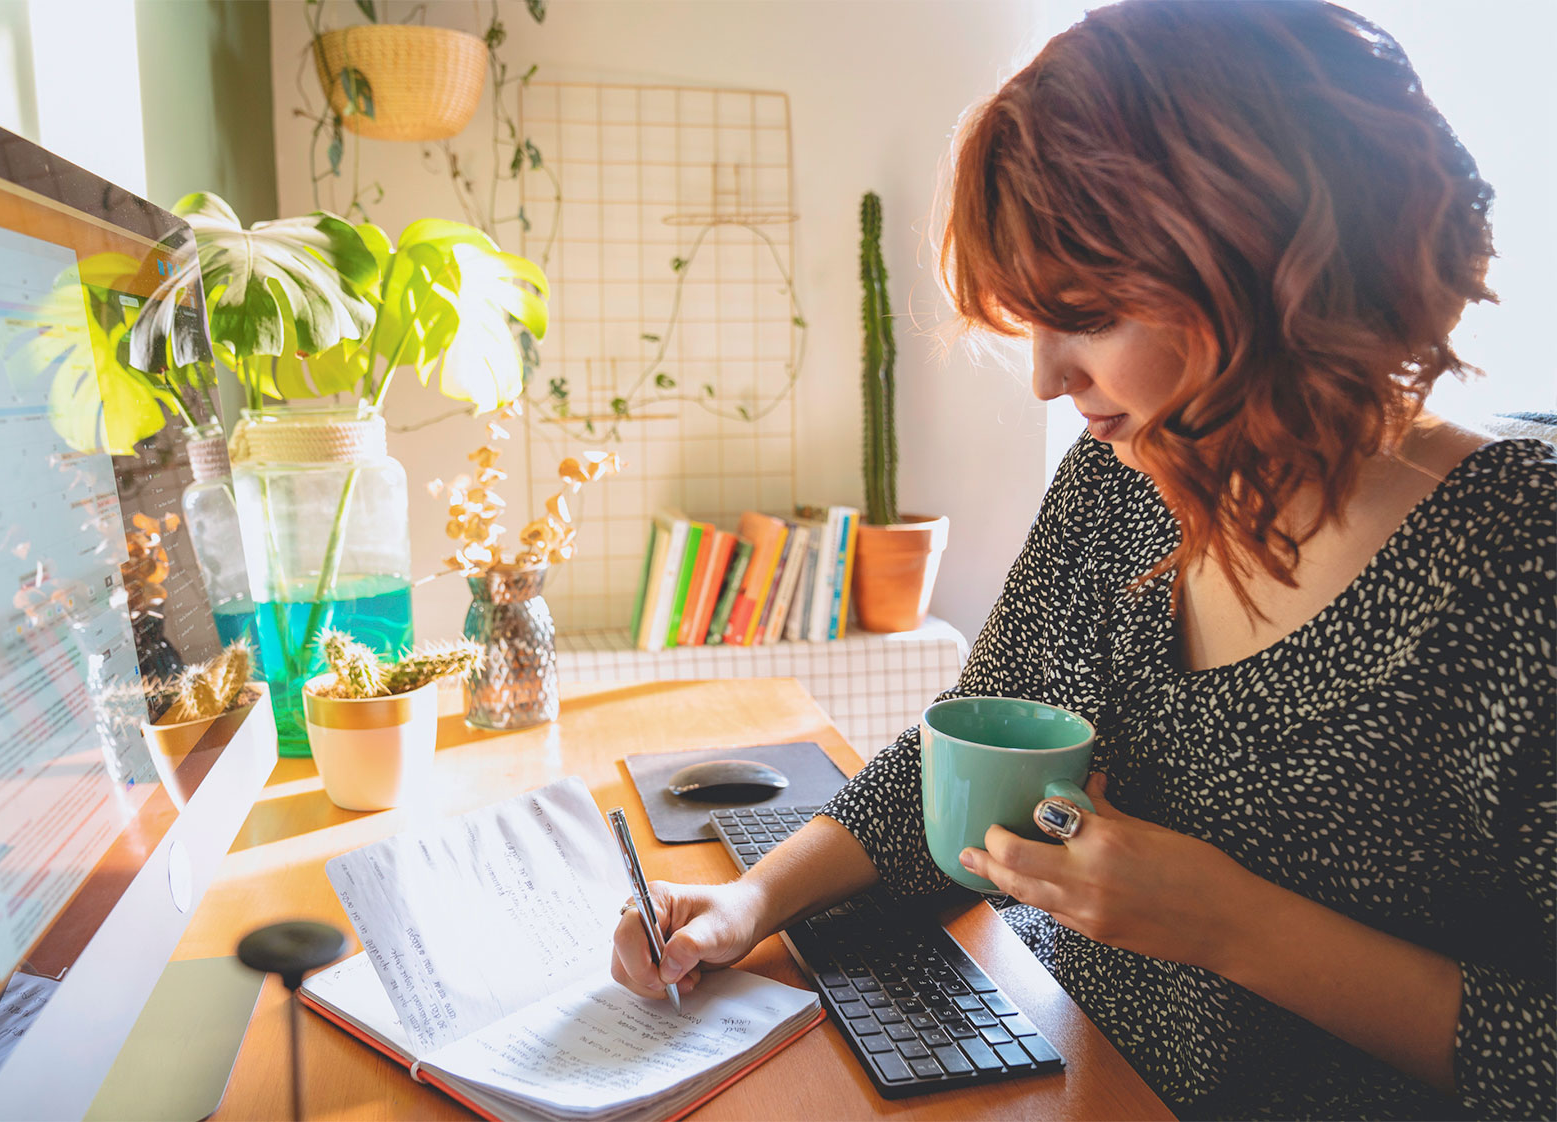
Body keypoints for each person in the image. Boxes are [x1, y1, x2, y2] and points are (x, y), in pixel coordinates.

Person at [610, 2, 1555, 1118]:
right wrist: (743, 905)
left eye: (1089, 314)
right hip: (1040, 1056)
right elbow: (962, 756)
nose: (1045, 377)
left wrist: (1232, 924)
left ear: (1273, 273)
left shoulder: (1519, 566)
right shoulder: (1125, 476)